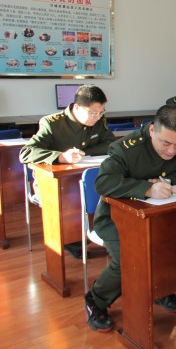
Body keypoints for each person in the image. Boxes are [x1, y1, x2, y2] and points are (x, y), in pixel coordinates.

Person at [84, 104, 176, 332]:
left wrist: (166, 181)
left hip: (160, 216)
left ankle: (160, 289)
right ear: (152, 130)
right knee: (130, 257)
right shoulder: (127, 148)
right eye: (166, 143)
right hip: (117, 219)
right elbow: (103, 182)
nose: (172, 151)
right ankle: (96, 298)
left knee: (175, 245)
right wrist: (146, 188)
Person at [19, 84, 116, 259]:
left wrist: (84, 153)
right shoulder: (52, 123)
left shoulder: (99, 121)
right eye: (92, 113)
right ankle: (71, 240)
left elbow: (110, 144)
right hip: (54, 184)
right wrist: (60, 156)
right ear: (77, 107)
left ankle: (98, 234)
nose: (97, 117)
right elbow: (26, 153)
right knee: (71, 201)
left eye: (101, 112)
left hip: (83, 179)